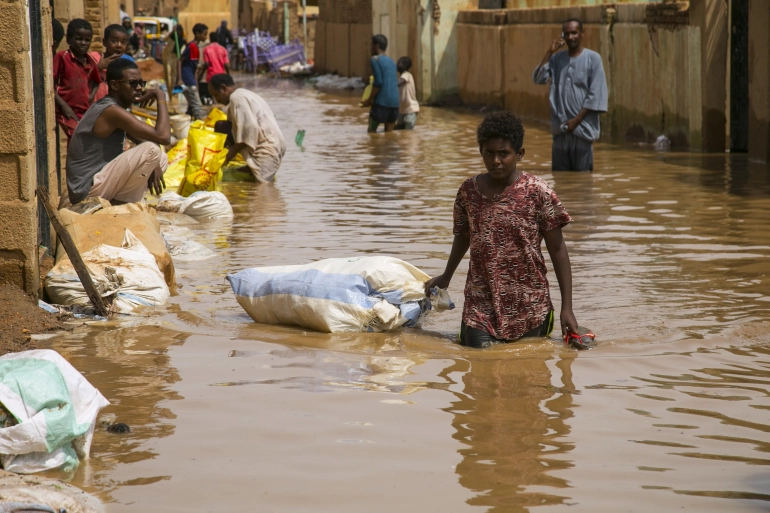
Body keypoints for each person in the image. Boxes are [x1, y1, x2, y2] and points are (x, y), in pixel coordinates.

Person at [424, 111, 578, 348]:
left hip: (531, 308)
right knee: (478, 371)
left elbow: (558, 250)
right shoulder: (469, 192)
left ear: (520, 154)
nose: (496, 161)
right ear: (481, 153)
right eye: (489, 153)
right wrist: (446, 276)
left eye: (504, 154)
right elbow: (463, 237)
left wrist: (567, 308)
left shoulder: (538, 192)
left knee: (530, 377)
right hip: (480, 307)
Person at [66, 59, 170, 205]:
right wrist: (160, 96)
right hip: (86, 191)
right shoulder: (111, 111)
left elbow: (148, 140)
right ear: (115, 85)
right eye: (133, 83)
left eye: (141, 83)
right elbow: (164, 136)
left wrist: (155, 164)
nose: (139, 88)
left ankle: (124, 202)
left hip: (100, 182)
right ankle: (121, 204)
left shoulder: (115, 109)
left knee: (161, 157)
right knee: (152, 151)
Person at [533, 18, 607, 172]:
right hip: (560, 132)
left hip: (582, 132)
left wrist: (576, 120)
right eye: (566, 34)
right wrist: (549, 51)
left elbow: (596, 94)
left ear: (582, 34)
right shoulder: (556, 59)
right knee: (561, 183)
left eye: (574, 33)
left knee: (583, 182)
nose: (570, 37)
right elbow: (539, 79)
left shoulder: (593, 59)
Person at [209, 73, 286, 183]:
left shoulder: (237, 98)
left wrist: (228, 155)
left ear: (223, 88)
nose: (216, 100)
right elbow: (236, 128)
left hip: (268, 150)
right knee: (221, 126)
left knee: (262, 190)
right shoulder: (243, 94)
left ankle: (253, 168)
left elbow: (250, 128)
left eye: (216, 95)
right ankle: (250, 167)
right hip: (275, 143)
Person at [54, 19, 101, 141]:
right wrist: (64, 106)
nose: (83, 43)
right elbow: (49, 84)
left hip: (83, 110)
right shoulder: (63, 57)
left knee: (80, 140)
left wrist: (90, 97)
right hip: (64, 109)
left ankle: (74, 161)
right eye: (79, 39)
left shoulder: (90, 61)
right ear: (69, 40)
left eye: (87, 40)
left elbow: (96, 81)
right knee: (77, 136)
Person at [361, 34, 399, 133]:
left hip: (381, 104)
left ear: (376, 46)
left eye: (371, 45)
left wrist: (368, 100)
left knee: (371, 134)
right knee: (389, 136)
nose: (370, 48)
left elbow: (378, 82)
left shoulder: (375, 60)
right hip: (395, 105)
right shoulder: (391, 61)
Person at [91, 24, 135, 102]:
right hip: (92, 109)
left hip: (111, 110)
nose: (119, 45)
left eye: (123, 42)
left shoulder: (124, 66)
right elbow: (80, 78)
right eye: (114, 41)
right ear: (104, 42)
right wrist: (98, 67)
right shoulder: (93, 58)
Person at [177, 23, 208, 120]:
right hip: (187, 79)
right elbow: (179, 61)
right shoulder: (191, 46)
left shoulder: (196, 48)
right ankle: (201, 127)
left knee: (191, 106)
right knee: (197, 106)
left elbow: (194, 68)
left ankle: (188, 126)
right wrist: (180, 79)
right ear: (197, 34)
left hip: (191, 80)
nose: (205, 37)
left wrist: (196, 83)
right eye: (204, 34)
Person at [198, 32, 230, 105]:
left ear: (210, 39)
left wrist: (201, 74)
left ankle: (214, 110)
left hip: (211, 75)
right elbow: (226, 65)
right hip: (221, 75)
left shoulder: (206, 49)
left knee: (213, 95)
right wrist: (228, 75)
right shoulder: (223, 49)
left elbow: (206, 64)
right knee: (221, 94)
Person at [396, 56, 419, 130]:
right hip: (403, 110)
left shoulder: (407, 75)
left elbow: (398, 84)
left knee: (408, 131)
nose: (397, 65)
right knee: (401, 130)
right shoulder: (401, 77)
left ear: (405, 66)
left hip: (411, 109)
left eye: (399, 63)